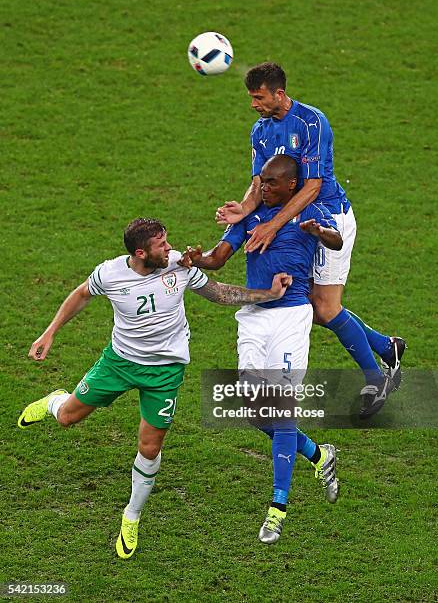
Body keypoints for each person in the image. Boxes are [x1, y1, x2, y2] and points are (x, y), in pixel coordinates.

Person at [18, 217, 292, 559]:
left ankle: (131, 515)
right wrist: (50, 332)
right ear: (140, 252)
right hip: (118, 363)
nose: (170, 248)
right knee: (67, 418)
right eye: (161, 245)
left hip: (164, 372)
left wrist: (268, 294)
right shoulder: (110, 274)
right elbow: (82, 294)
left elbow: (219, 293)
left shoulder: (179, 266)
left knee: (150, 446)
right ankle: (54, 402)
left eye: (167, 242)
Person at [216, 62, 406, 418]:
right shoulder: (260, 130)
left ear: (279, 94)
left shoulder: (311, 122)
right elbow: (260, 182)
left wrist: (272, 227)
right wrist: (243, 209)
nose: (254, 104)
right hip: (296, 224)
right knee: (313, 307)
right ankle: (386, 346)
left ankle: (377, 376)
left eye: (258, 98)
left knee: (324, 307)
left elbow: (313, 185)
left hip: (326, 219)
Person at [181, 155, 342, 544]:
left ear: (291, 186)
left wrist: (319, 231)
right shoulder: (251, 217)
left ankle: (277, 509)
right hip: (253, 316)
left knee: (280, 411)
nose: (262, 189)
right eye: (262, 182)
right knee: (256, 413)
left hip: (291, 318)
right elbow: (219, 259)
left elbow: (336, 242)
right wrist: (197, 259)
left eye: (270, 184)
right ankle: (320, 455)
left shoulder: (311, 211)